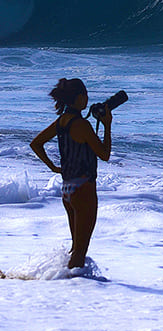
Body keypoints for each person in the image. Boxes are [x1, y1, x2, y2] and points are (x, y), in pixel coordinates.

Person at [30, 78, 111, 269]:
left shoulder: (61, 122)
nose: (87, 99)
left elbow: (36, 143)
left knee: (76, 247)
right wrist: (107, 125)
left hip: (67, 188)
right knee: (80, 251)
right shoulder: (82, 125)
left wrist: (53, 167)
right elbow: (104, 154)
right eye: (85, 95)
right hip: (84, 188)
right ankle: (72, 288)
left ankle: (64, 283)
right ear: (80, 97)